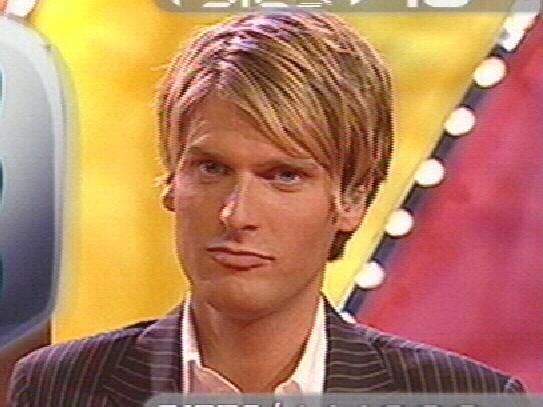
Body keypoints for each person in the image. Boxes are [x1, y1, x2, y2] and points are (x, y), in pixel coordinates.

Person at [8, 10, 524, 406]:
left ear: (352, 199)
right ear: (171, 181)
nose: (235, 214)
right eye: (212, 169)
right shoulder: (59, 386)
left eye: (283, 177)